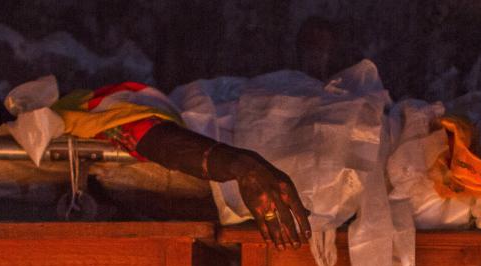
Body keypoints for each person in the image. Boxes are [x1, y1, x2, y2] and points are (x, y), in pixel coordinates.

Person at [54, 81, 311, 249]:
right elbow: (138, 126)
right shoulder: (78, 111)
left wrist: (243, 166)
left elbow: (138, 125)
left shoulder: (80, 107)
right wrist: (243, 166)